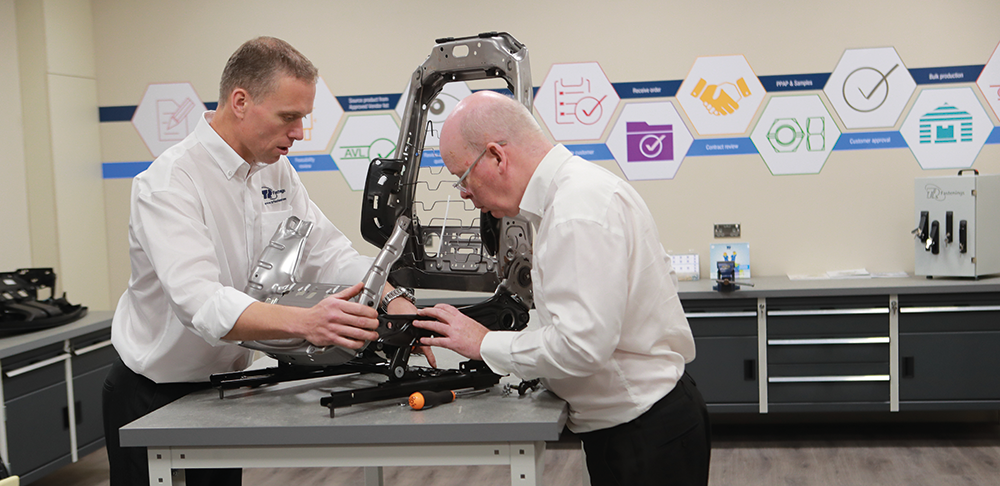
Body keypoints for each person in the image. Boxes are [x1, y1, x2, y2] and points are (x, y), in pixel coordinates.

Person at [102, 36, 432, 486]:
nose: (299, 132)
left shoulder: (275, 172)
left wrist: (394, 301)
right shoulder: (169, 183)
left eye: (303, 118)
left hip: (222, 388)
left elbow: (327, 253)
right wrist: (306, 323)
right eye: (288, 117)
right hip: (150, 393)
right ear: (241, 102)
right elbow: (201, 302)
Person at [413, 91, 710, 485]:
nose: (465, 194)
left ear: (497, 156)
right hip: (640, 422)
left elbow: (581, 347)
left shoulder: (576, 211)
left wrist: (484, 343)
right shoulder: (575, 194)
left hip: (643, 431)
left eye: (462, 177)